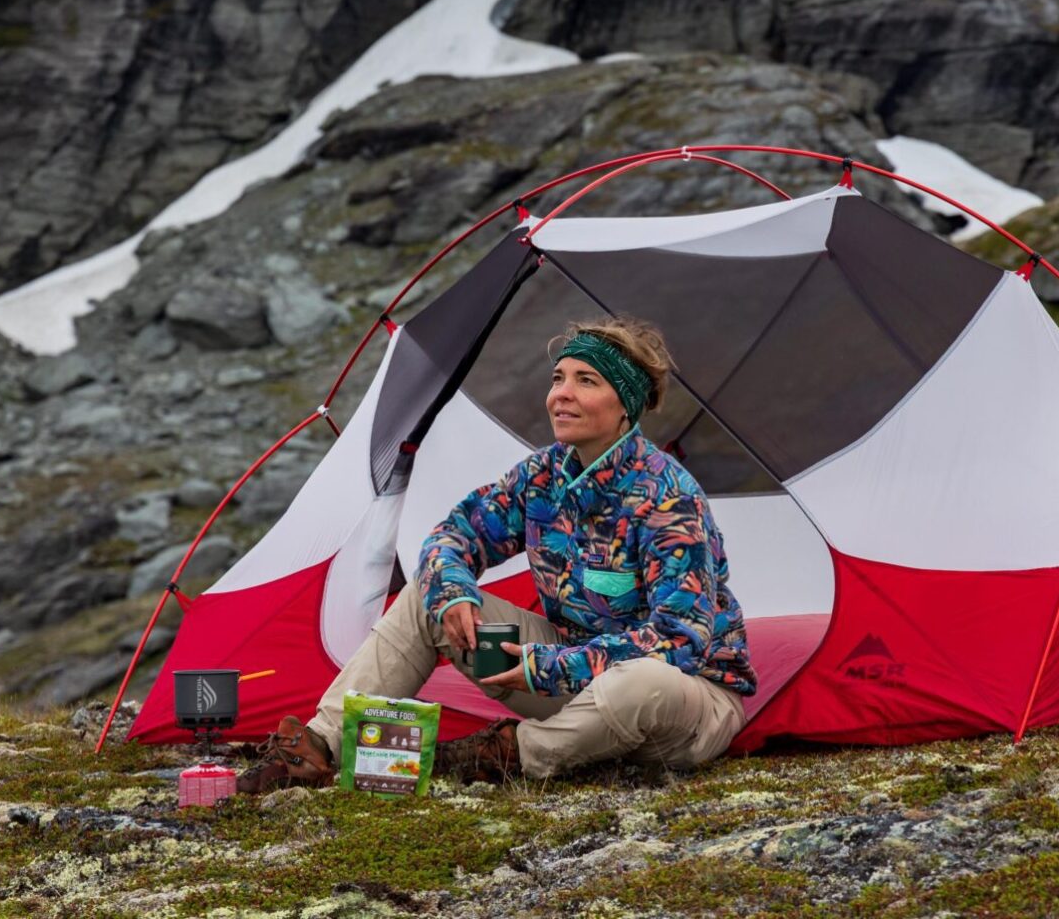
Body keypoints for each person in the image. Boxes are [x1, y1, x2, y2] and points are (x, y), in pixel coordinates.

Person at [237, 315, 755, 789]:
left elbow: (679, 641)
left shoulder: (668, 497)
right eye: (558, 379)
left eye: (586, 381)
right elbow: (453, 534)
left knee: (642, 681)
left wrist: (547, 666)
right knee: (429, 597)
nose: (561, 395)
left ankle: (504, 756)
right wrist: (455, 590)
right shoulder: (542, 476)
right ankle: (320, 747)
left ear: (626, 405)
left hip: (684, 702)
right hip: (575, 678)